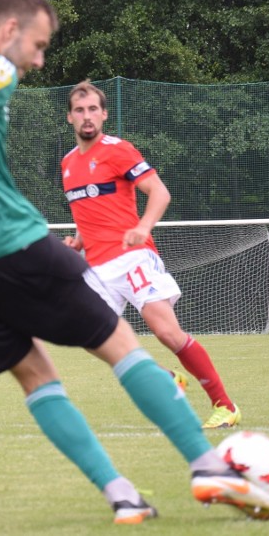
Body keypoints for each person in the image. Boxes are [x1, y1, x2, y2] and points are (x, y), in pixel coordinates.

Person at [0, 0, 269, 524]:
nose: (37, 59)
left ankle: (121, 494)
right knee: (124, 346)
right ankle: (206, 466)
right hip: (6, 244)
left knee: (37, 377)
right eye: (38, 43)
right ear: (10, 30)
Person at [60, 81, 241, 429]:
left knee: (166, 333)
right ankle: (164, 378)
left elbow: (159, 192)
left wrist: (144, 226)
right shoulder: (68, 164)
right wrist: (79, 242)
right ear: (70, 117)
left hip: (133, 257)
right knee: (88, 336)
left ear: (104, 114)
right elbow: (91, 210)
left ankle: (225, 404)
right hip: (96, 267)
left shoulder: (119, 150)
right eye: (80, 110)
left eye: (93, 109)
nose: (87, 116)